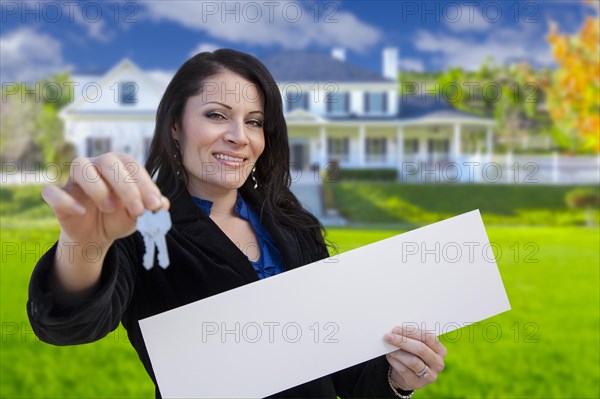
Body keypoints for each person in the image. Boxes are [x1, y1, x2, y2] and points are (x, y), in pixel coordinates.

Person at [27, 49, 446, 398]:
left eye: (254, 121)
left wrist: (398, 379)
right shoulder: (138, 229)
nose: (239, 136)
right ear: (175, 125)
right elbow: (68, 325)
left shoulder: (292, 226)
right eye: (215, 115)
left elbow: (344, 372)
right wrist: (85, 244)